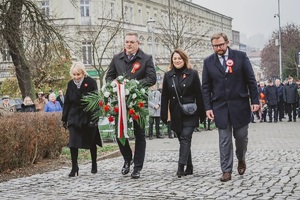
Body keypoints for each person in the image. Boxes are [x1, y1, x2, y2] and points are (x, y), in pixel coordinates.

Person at [202, 33, 259, 182]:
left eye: (221, 45)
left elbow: (251, 80)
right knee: (224, 140)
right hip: (220, 106)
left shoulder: (240, 57)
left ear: (227, 43)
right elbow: (206, 87)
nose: (218, 48)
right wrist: (207, 107)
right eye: (215, 46)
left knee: (241, 137)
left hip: (240, 105)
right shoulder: (208, 62)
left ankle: (241, 157)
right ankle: (226, 170)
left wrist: (255, 100)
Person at [106, 32, 156, 179]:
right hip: (119, 102)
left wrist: (133, 86)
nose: (129, 44)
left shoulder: (146, 58)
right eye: (127, 42)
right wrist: (114, 84)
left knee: (139, 133)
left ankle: (138, 167)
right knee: (119, 131)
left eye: (132, 42)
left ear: (137, 43)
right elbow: (109, 76)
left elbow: (151, 78)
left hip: (138, 100)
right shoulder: (117, 58)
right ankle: (127, 158)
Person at [160, 49, 206, 178]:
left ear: (184, 59)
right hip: (176, 114)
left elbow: (199, 94)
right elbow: (165, 96)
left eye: (179, 58)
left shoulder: (192, 73)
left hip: (190, 113)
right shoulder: (168, 75)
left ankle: (181, 166)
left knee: (186, 137)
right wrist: (164, 114)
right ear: (172, 61)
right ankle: (189, 166)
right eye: (175, 59)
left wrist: (203, 114)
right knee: (182, 140)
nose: (177, 61)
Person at [62, 62, 102, 177]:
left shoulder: (91, 82)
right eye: (74, 74)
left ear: (83, 73)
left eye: (78, 74)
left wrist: (95, 118)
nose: (76, 77)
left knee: (91, 141)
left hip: (88, 115)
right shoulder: (70, 84)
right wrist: (64, 119)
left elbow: (95, 101)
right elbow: (67, 102)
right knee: (73, 142)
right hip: (74, 116)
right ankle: (74, 166)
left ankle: (94, 163)